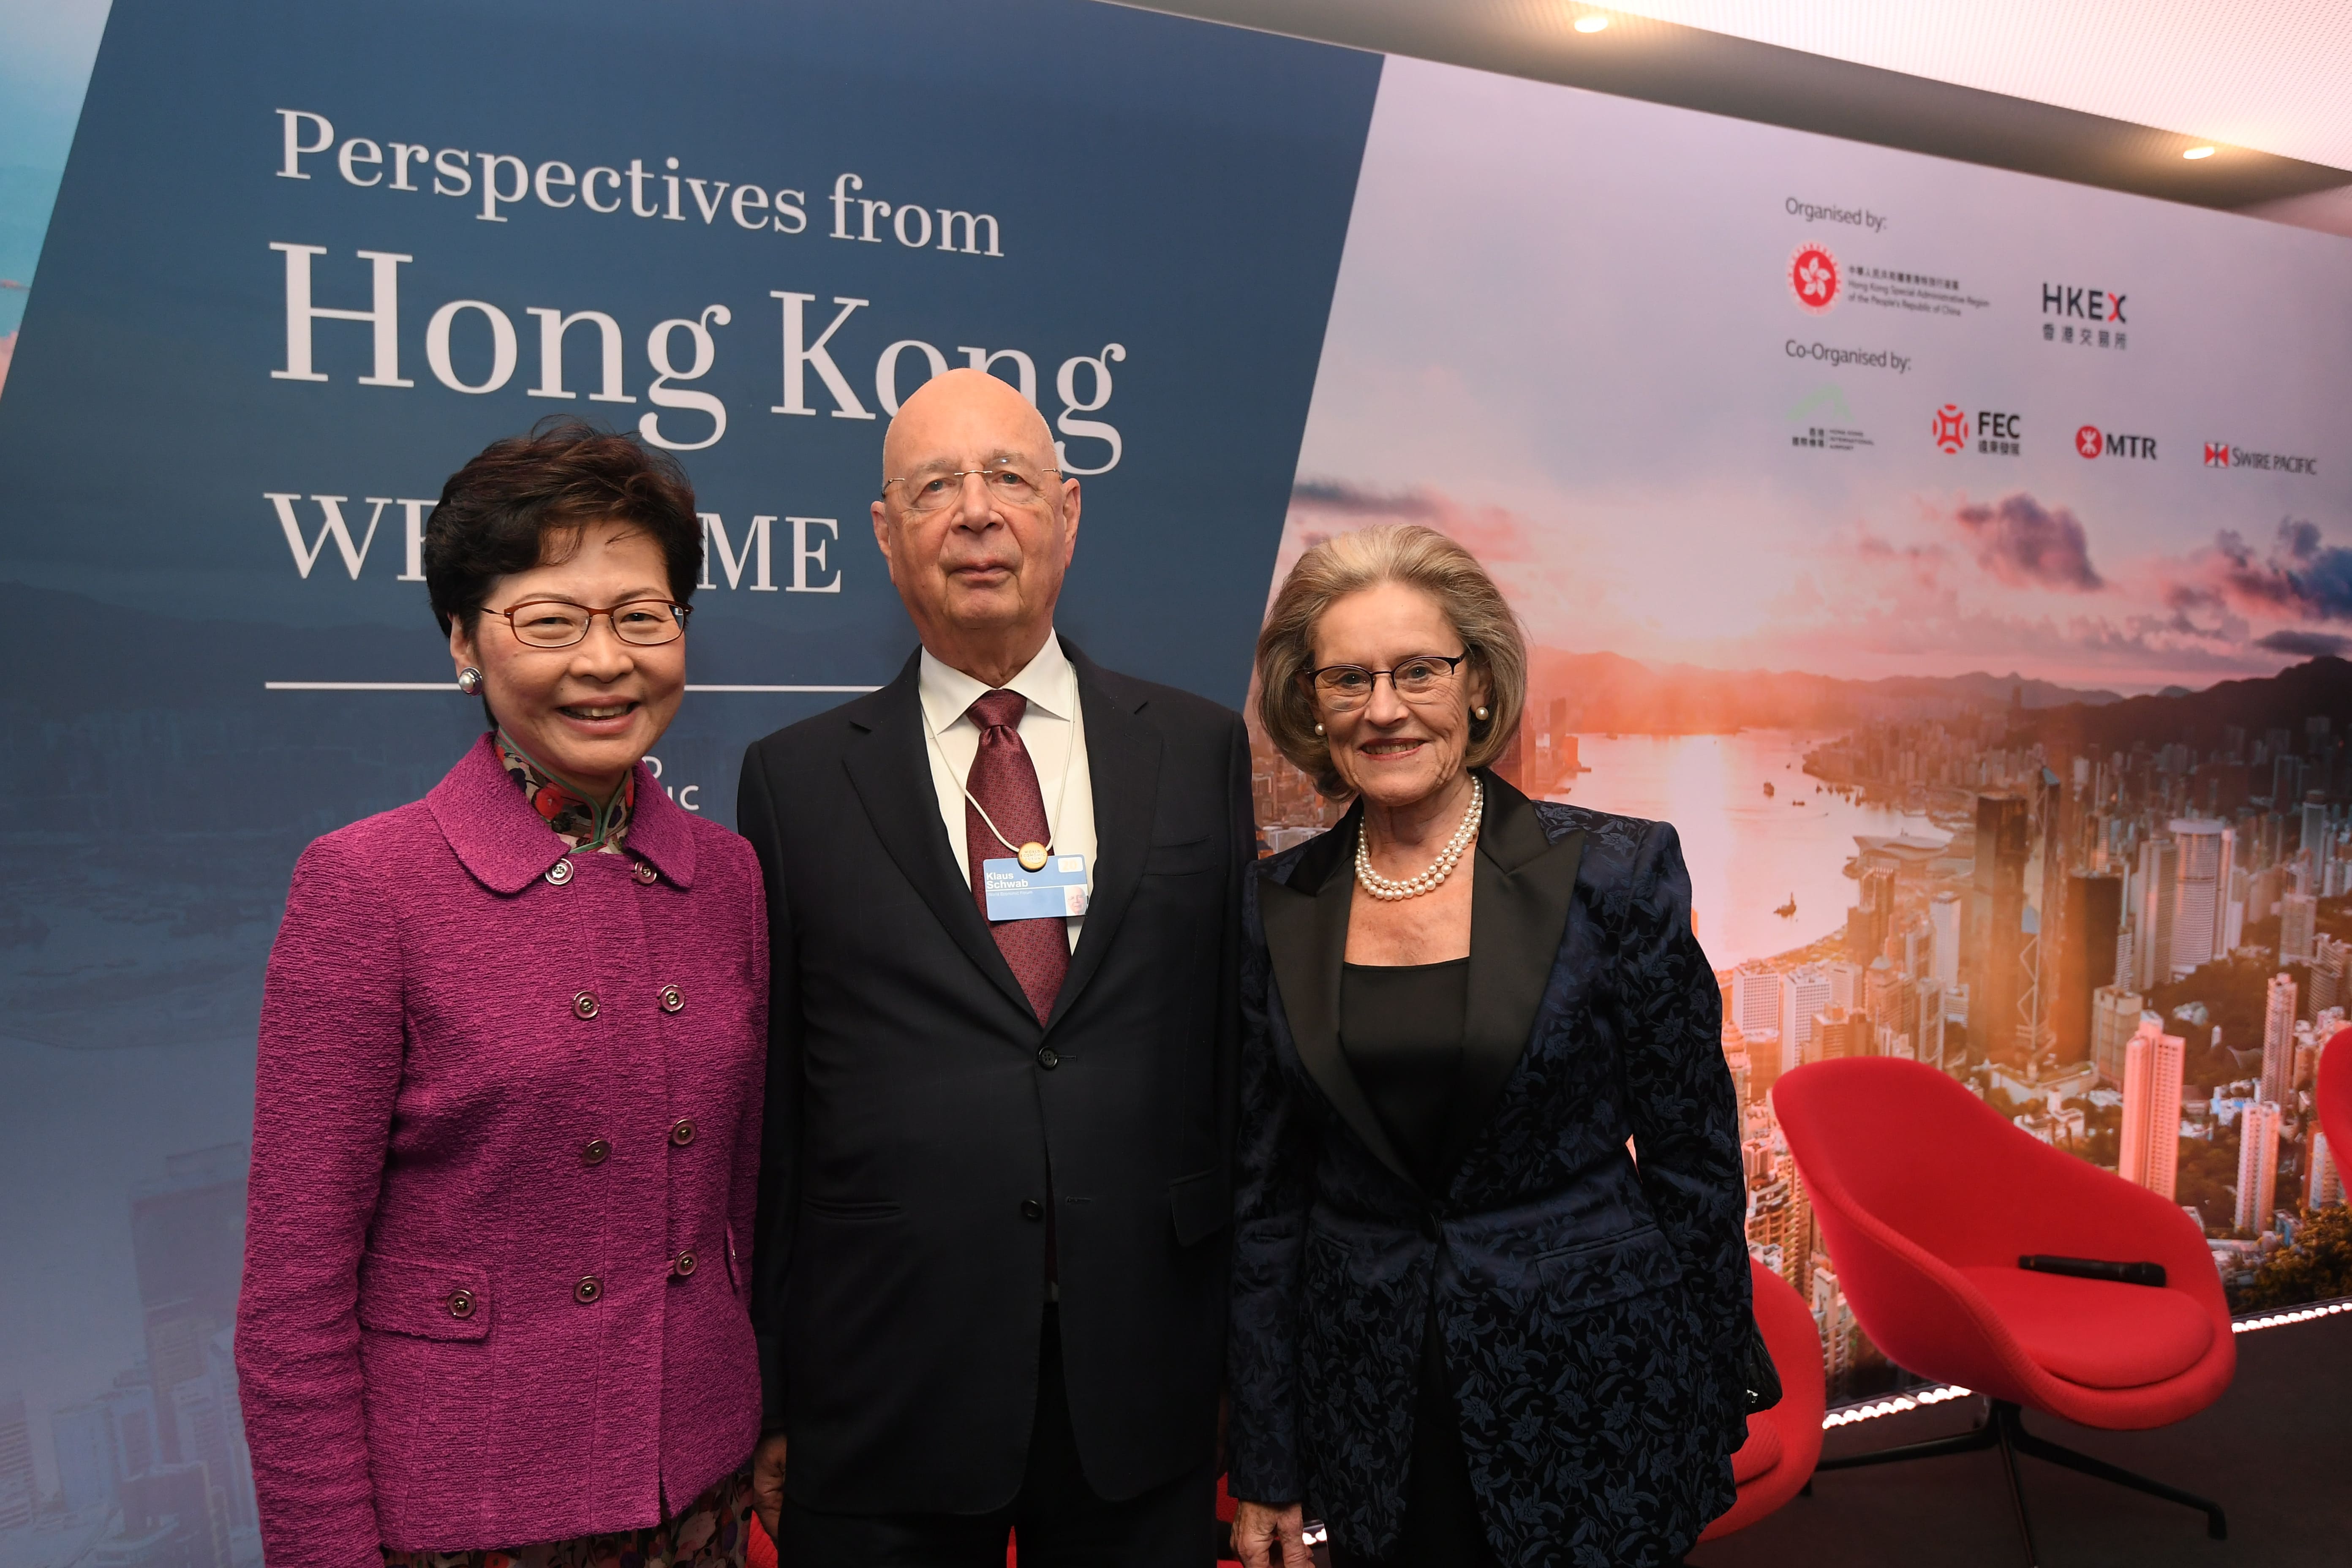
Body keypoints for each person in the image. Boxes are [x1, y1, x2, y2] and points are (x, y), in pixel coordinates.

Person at [736, 368, 1252, 1565]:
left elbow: (1236, 1075)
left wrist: (1254, 1377)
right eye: (934, 488)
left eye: (1009, 478)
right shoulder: (796, 780)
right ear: (885, 533)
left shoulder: (1197, 748)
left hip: (1147, 1383)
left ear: (1069, 515)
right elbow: (774, 1117)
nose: (976, 513)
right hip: (885, 1389)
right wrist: (767, 1389)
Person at [236, 422, 768, 1568]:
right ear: (461, 643)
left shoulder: (727, 877)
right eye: (549, 620)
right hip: (470, 1522)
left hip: (704, 1500)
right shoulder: (367, 887)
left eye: (642, 614)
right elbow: (293, 1304)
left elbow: (744, 1200)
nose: (605, 659)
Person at [1226, 524, 1750, 1568]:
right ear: (1309, 702)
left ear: (1478, 684)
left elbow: (1696, 1161)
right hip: (1375, 1412)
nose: (1383, 708)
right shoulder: (1273, 908)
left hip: (1599, 1384)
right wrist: (1266, 1459)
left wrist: (1707, 1377)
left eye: (1418, 669)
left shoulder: (1615, 875)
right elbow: (1266, 1206)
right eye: (1348, 679)